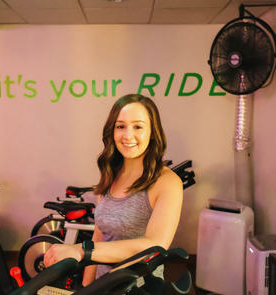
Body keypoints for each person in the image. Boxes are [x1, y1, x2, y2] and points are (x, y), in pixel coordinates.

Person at [43, 94, 183, 286]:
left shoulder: (167, 182)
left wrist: (81, 250)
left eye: (138, 126)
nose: (128, 135)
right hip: (103, 285)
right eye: (120, 126)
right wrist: (87, 287)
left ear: (152, 132)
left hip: (139, 288)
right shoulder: (110, 176)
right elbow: (99, 236)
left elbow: (154, 245)